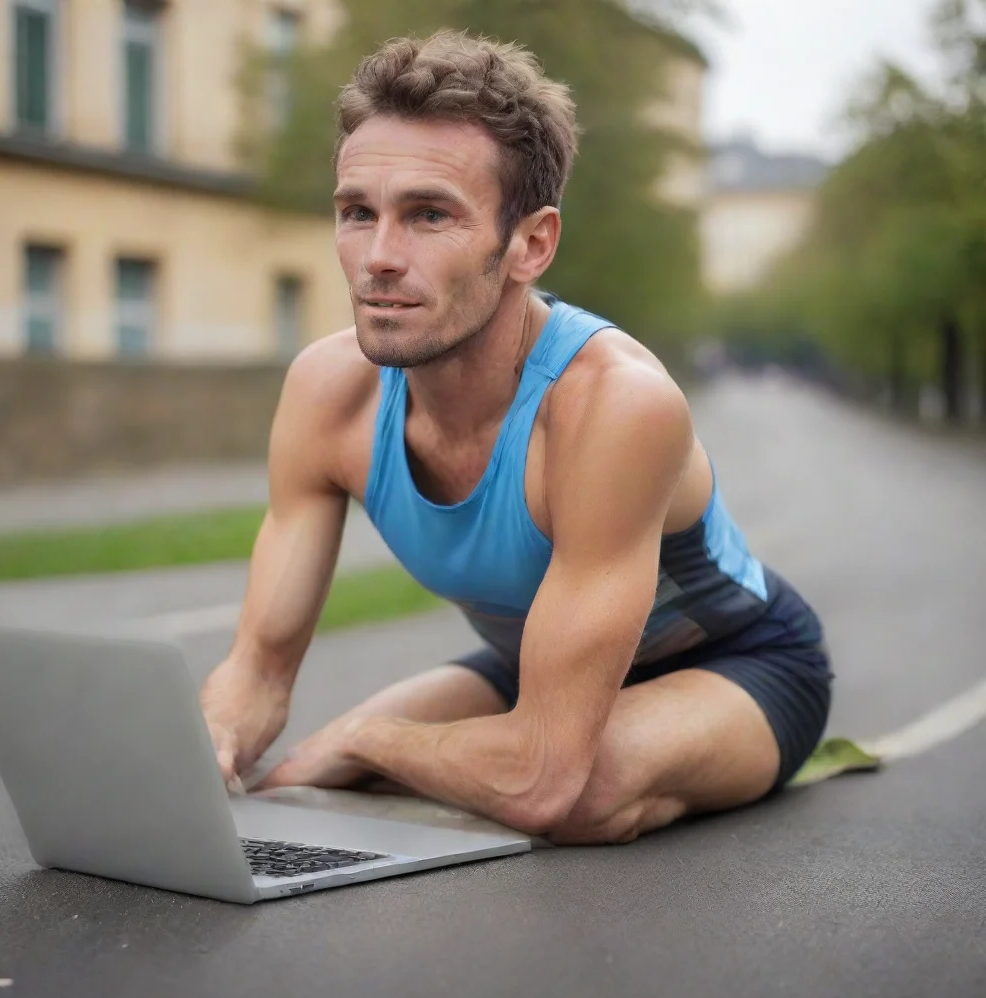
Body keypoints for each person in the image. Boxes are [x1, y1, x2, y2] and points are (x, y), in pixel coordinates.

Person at [200, 30, 833, 844]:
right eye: (358, 213)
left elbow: (542, 778)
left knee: (579, 793)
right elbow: (256, 669)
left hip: (741, 663)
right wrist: (211, 743)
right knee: (284, 783)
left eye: (429, 216)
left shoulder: (614, 403)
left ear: (531, 244)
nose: (378, 259)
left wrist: (368, 739)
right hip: (539, 671)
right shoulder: (328, 393)